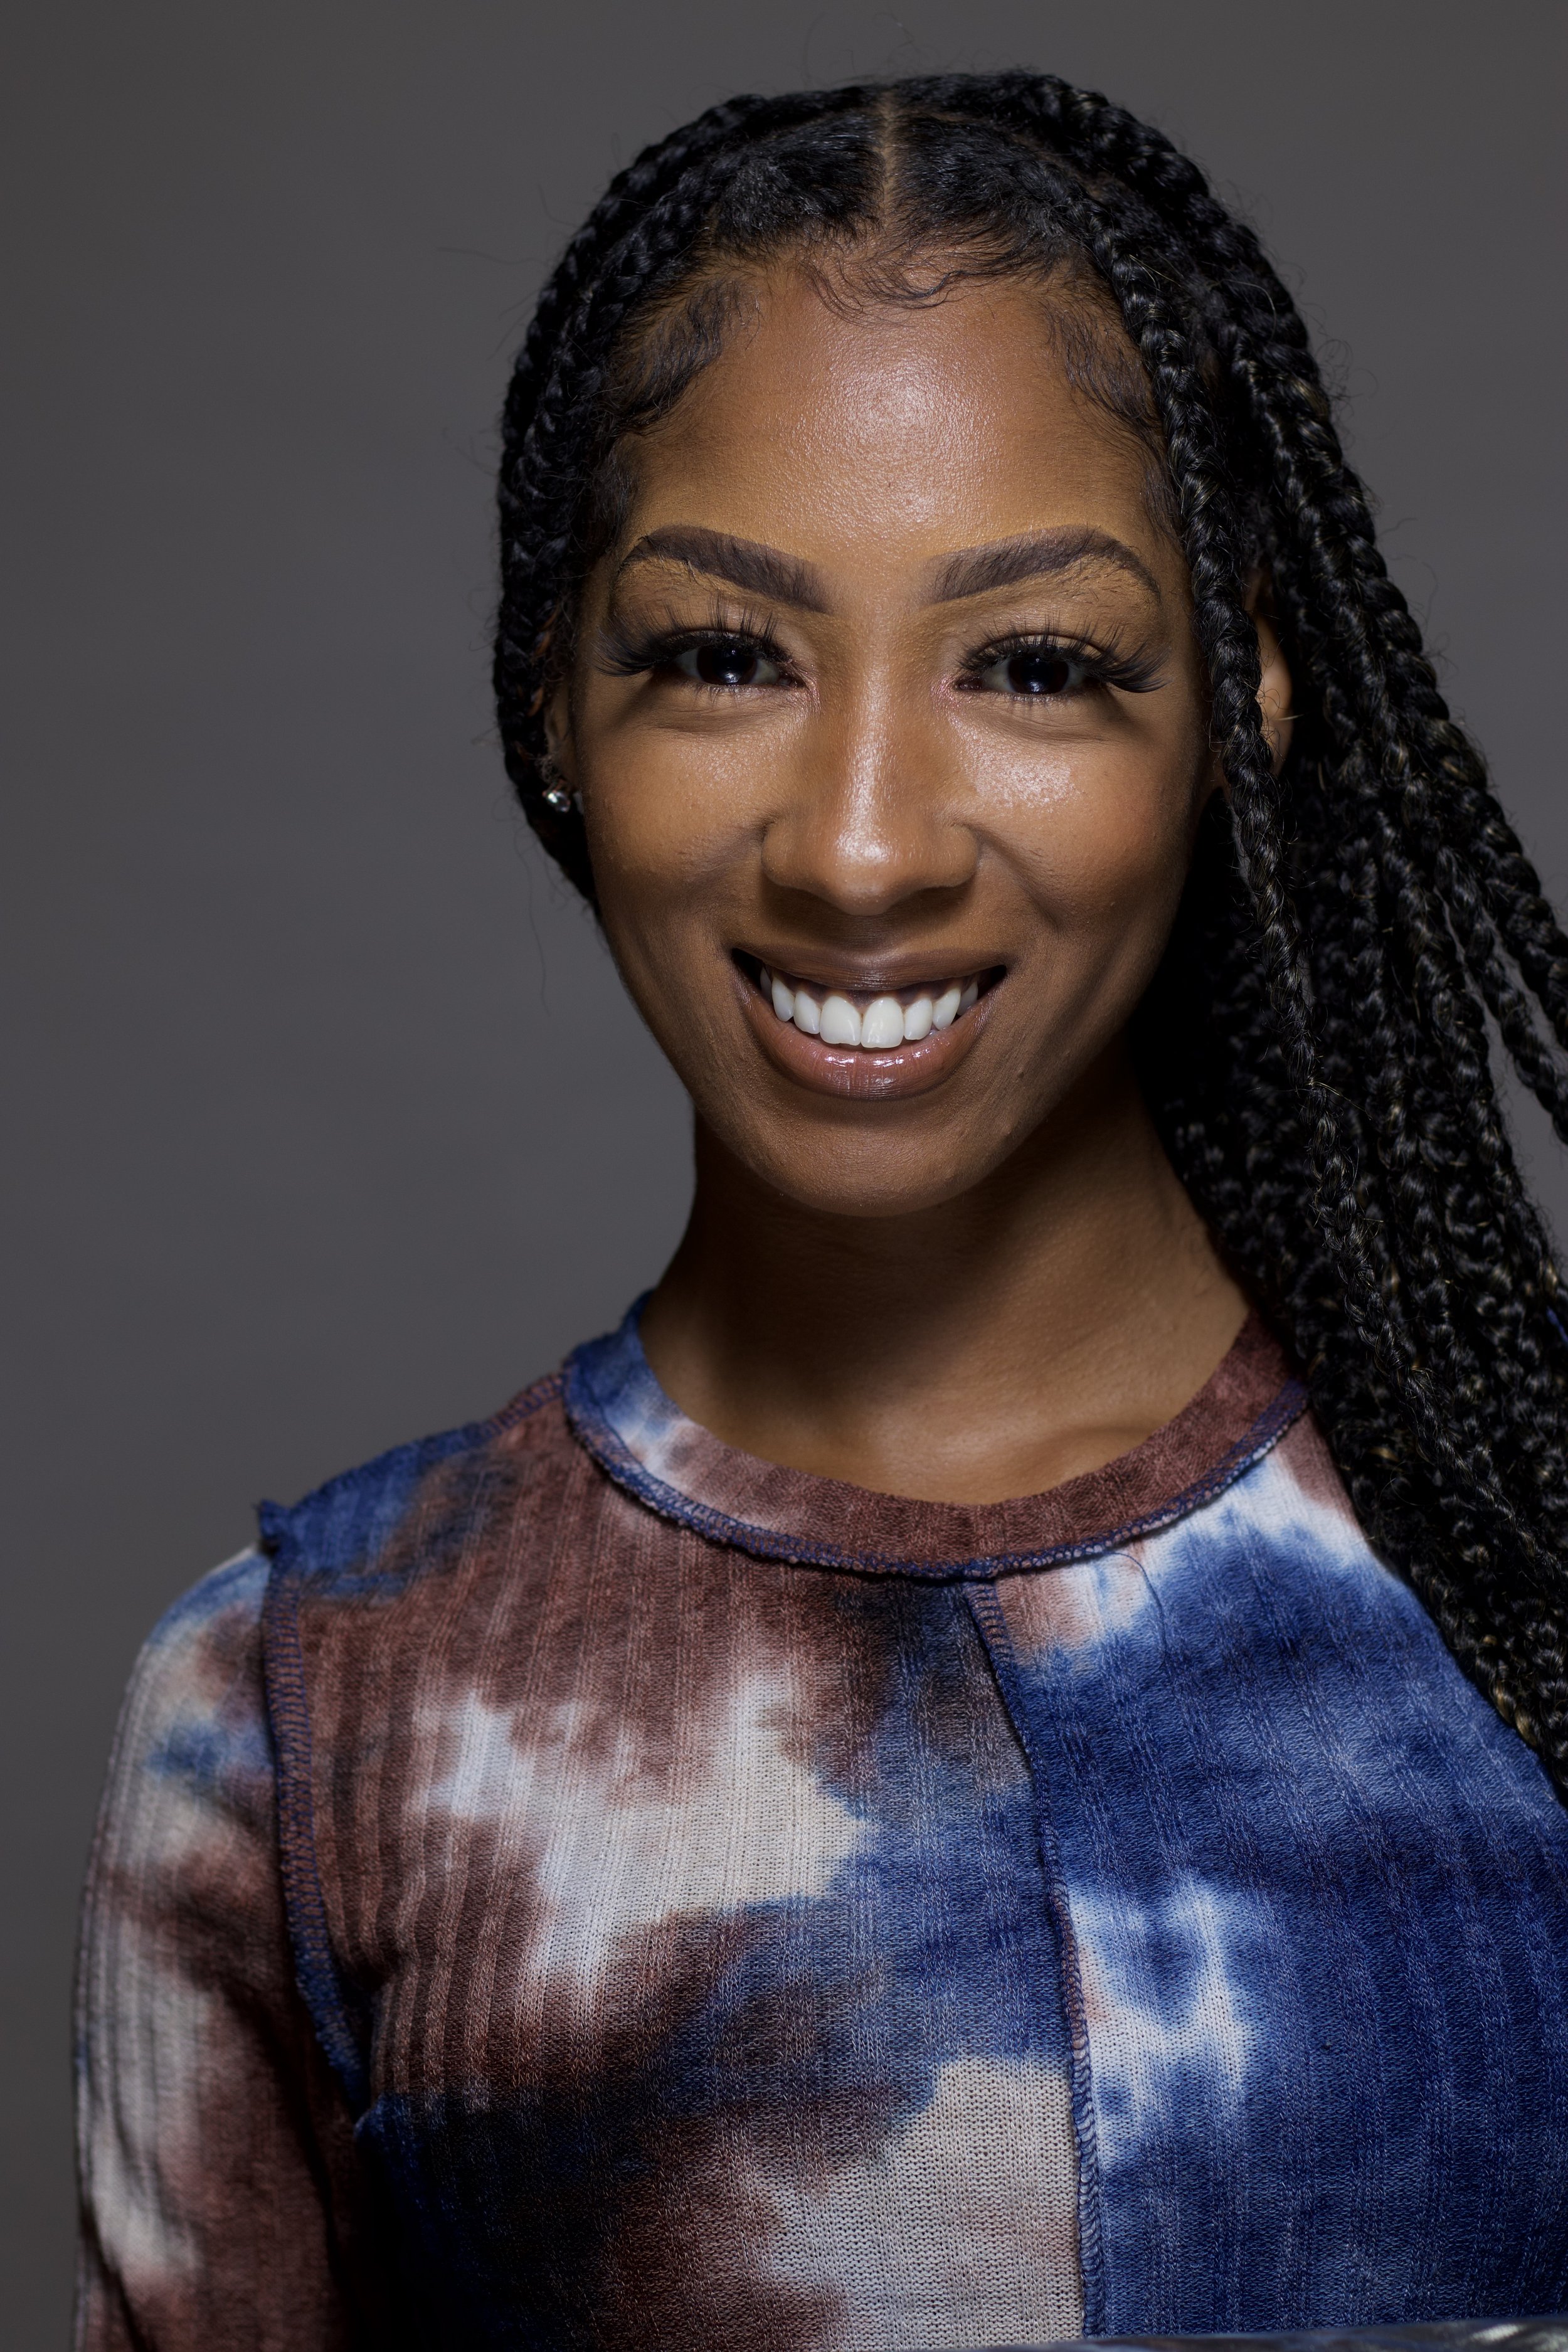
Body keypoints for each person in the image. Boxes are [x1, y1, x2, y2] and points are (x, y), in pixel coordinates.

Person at [74, 70, 1568, 2352]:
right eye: (724, 655)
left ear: (1236, 705)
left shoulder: (1525, 1567)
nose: (860, 846)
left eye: (1036, 666)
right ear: (556, 695)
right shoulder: (297, 1718)